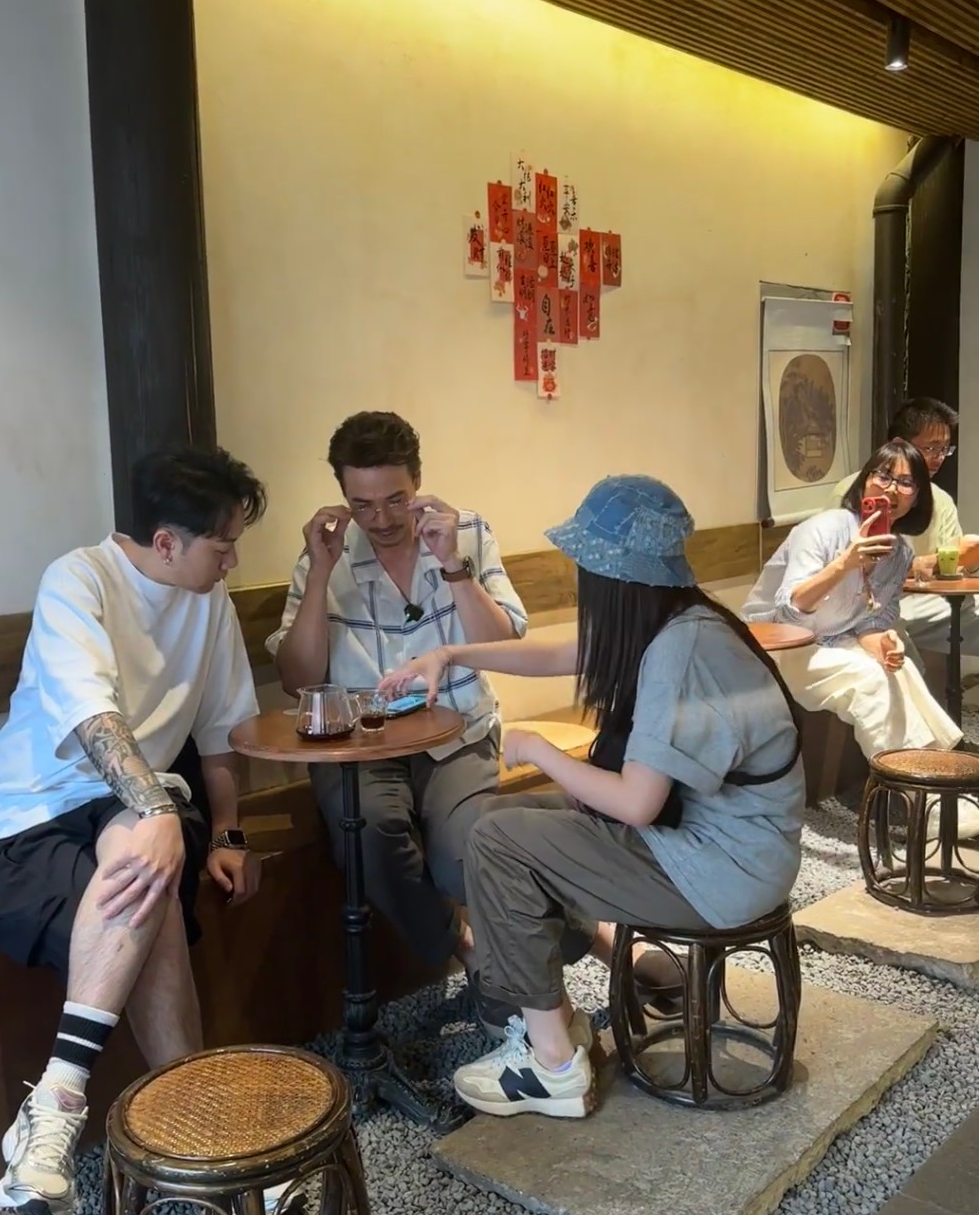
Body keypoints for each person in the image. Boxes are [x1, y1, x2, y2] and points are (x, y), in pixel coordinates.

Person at [381, 475, 805, 1119]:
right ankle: (556, 1014)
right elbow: (556, 653)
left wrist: (540, 751)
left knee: (495, 839)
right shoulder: (678, 619)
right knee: (498, 819)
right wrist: (449, 653)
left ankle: (552, 1062)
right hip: (726, 845)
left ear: (612, 576)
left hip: (722, 870)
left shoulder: (679, 650)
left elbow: (636, 803)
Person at [0, 446, 267, 1215]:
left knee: (144, 855)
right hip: (29, 822)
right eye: (223, 545)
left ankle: (57, 1104)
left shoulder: (210, 601)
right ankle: (203, 1142)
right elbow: (93, 717)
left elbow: (221, 737)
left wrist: (229, 834)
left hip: (136, 811)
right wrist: (161, 814)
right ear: (165, 543)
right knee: (150, 886)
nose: (232, 561)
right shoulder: (79, 580)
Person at [268, 411, 562, 1010]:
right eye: (363, 504)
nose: (380, 519)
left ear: (418, 481)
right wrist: (320, 573)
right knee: (369, 835)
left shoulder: (466, 531)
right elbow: (298, 680)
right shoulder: (326, 553)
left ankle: (595, 939)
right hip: (361, 744)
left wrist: (453, 565)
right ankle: (466, 948)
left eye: (395, 500)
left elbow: (503, 648)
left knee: (468, 856)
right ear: (343, 495)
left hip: (458, 731)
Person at [745, 440, 966, 762]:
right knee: (870, 677)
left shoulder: (899, 553)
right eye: (883, 476)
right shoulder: (822, 529)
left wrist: (883, 642)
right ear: (865, 481)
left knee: (899, 669)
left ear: (918, 497)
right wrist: (844, 564)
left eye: (906, 482)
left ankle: (932, 766)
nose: (892, 489)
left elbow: (870, 622)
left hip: (833, 641)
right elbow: (790, 612)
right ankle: (904, 774)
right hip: (777, 646)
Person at [829, 398, 979, 661]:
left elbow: (953, 566)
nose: (938, 458)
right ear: (899, 444)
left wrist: (969, 560)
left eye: (945, 449)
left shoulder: (939, 498)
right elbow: (850, 567)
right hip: (867, 602)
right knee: (895, 637)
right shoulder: (856, 490)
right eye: (930, 448)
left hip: (929, 600)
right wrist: (927, 563)